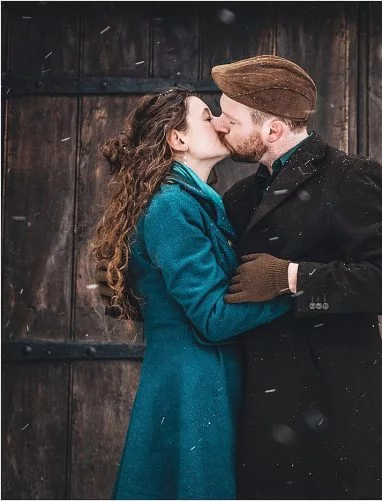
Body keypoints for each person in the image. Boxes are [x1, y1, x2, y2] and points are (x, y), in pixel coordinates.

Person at [210, 55, 382, 499]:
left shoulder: (349, 177)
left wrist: (292, 277)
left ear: (273, 129)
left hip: (336, 400)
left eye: (230, 117)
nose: (220, 125)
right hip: (261, 400)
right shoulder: (239, 197)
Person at [90, 88, 292, 499]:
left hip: (205, 377)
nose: (220, 123)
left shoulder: (199, 201)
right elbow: (213, 318)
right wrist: (296, 289)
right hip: (193, 384)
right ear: (177, 139)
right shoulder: (170, 207)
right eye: (206, 116)